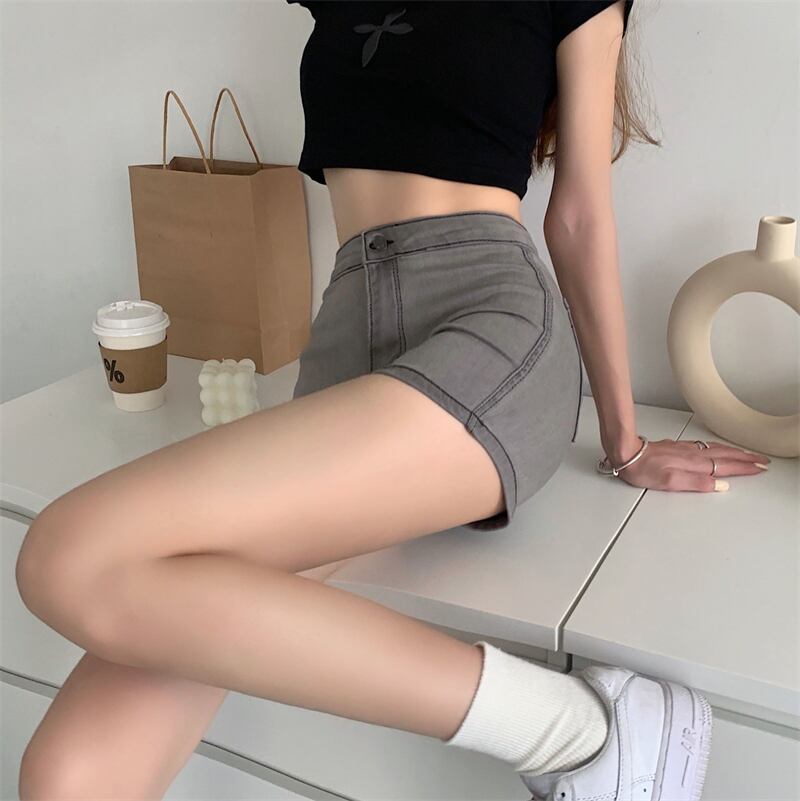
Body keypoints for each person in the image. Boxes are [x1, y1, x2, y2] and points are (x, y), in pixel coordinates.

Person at [15, 2, 769, 799]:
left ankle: (576, 732)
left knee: (68, 558)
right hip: (346, 337)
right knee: (67, 775)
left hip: (491, 326)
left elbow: (579, 214)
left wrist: (626, 441)